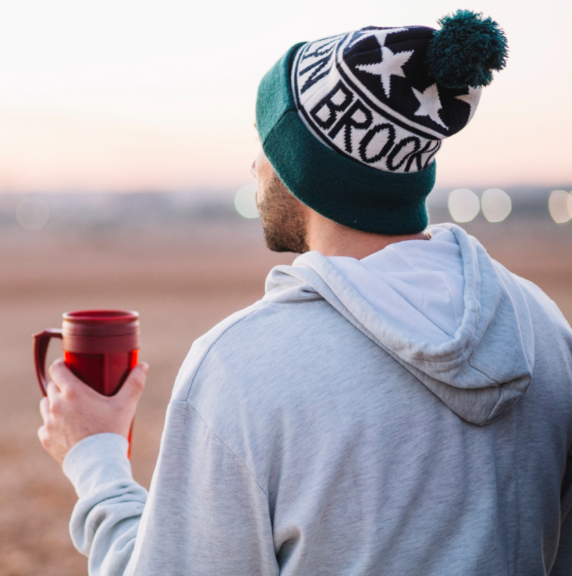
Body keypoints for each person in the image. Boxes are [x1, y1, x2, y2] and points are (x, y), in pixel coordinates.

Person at [36, 11, 572, 575]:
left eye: (264, 141)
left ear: (307, 166)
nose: (254, 165)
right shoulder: (542, 328)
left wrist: (95, 458)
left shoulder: (241, 369)